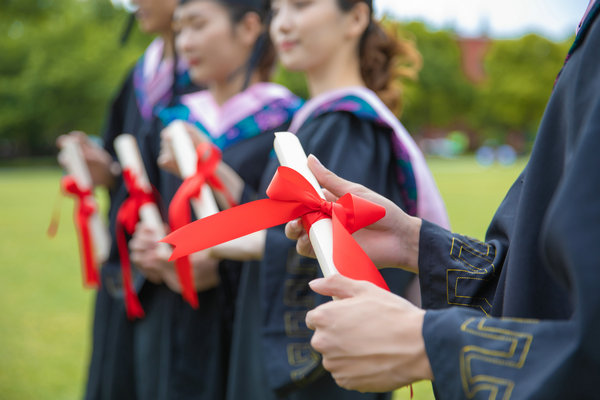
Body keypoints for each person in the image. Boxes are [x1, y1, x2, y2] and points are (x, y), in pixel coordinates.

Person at [286, 2, 600, 398]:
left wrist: (428, 342)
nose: (281, 22)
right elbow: (540, 285)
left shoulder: (348, 122)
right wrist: (413, 242)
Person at [220, 0, 447, 399]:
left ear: (356, 17)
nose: (283, 23)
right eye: (277, 10)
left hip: (327, 378)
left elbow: (334, 251)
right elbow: (280, 219)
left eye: (301, 5)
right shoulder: (320, 121)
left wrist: (226, 242)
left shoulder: (347, 125)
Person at [128, 0, 303, 398]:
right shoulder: (172, 123)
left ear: (248, 28)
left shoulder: (289, 125)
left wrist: (218, 265)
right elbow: (146, 209)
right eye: (180, 27)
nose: (185, 41)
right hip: (176, 326)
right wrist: (149, 254)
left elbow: (288, 236)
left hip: (247, 328)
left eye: (198, 25)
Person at [56, 0, 195, 398]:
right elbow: (126, 173)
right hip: (124, 267)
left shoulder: (210, 80)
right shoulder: (139, 77)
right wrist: (108, 173)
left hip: (177, 277)